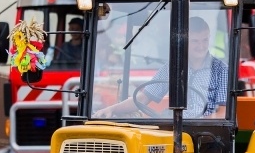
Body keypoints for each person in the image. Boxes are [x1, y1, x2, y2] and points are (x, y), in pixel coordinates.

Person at [97, 16, 227, 118]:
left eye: (205, 40)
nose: (201, 46)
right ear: (184, 41)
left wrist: (193, 123)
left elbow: (223, 114)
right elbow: (143, 98)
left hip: (208, 136)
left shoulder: (221, 70)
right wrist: (112, 109)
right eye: (195, 41)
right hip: (176, 129)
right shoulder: (173, 67)